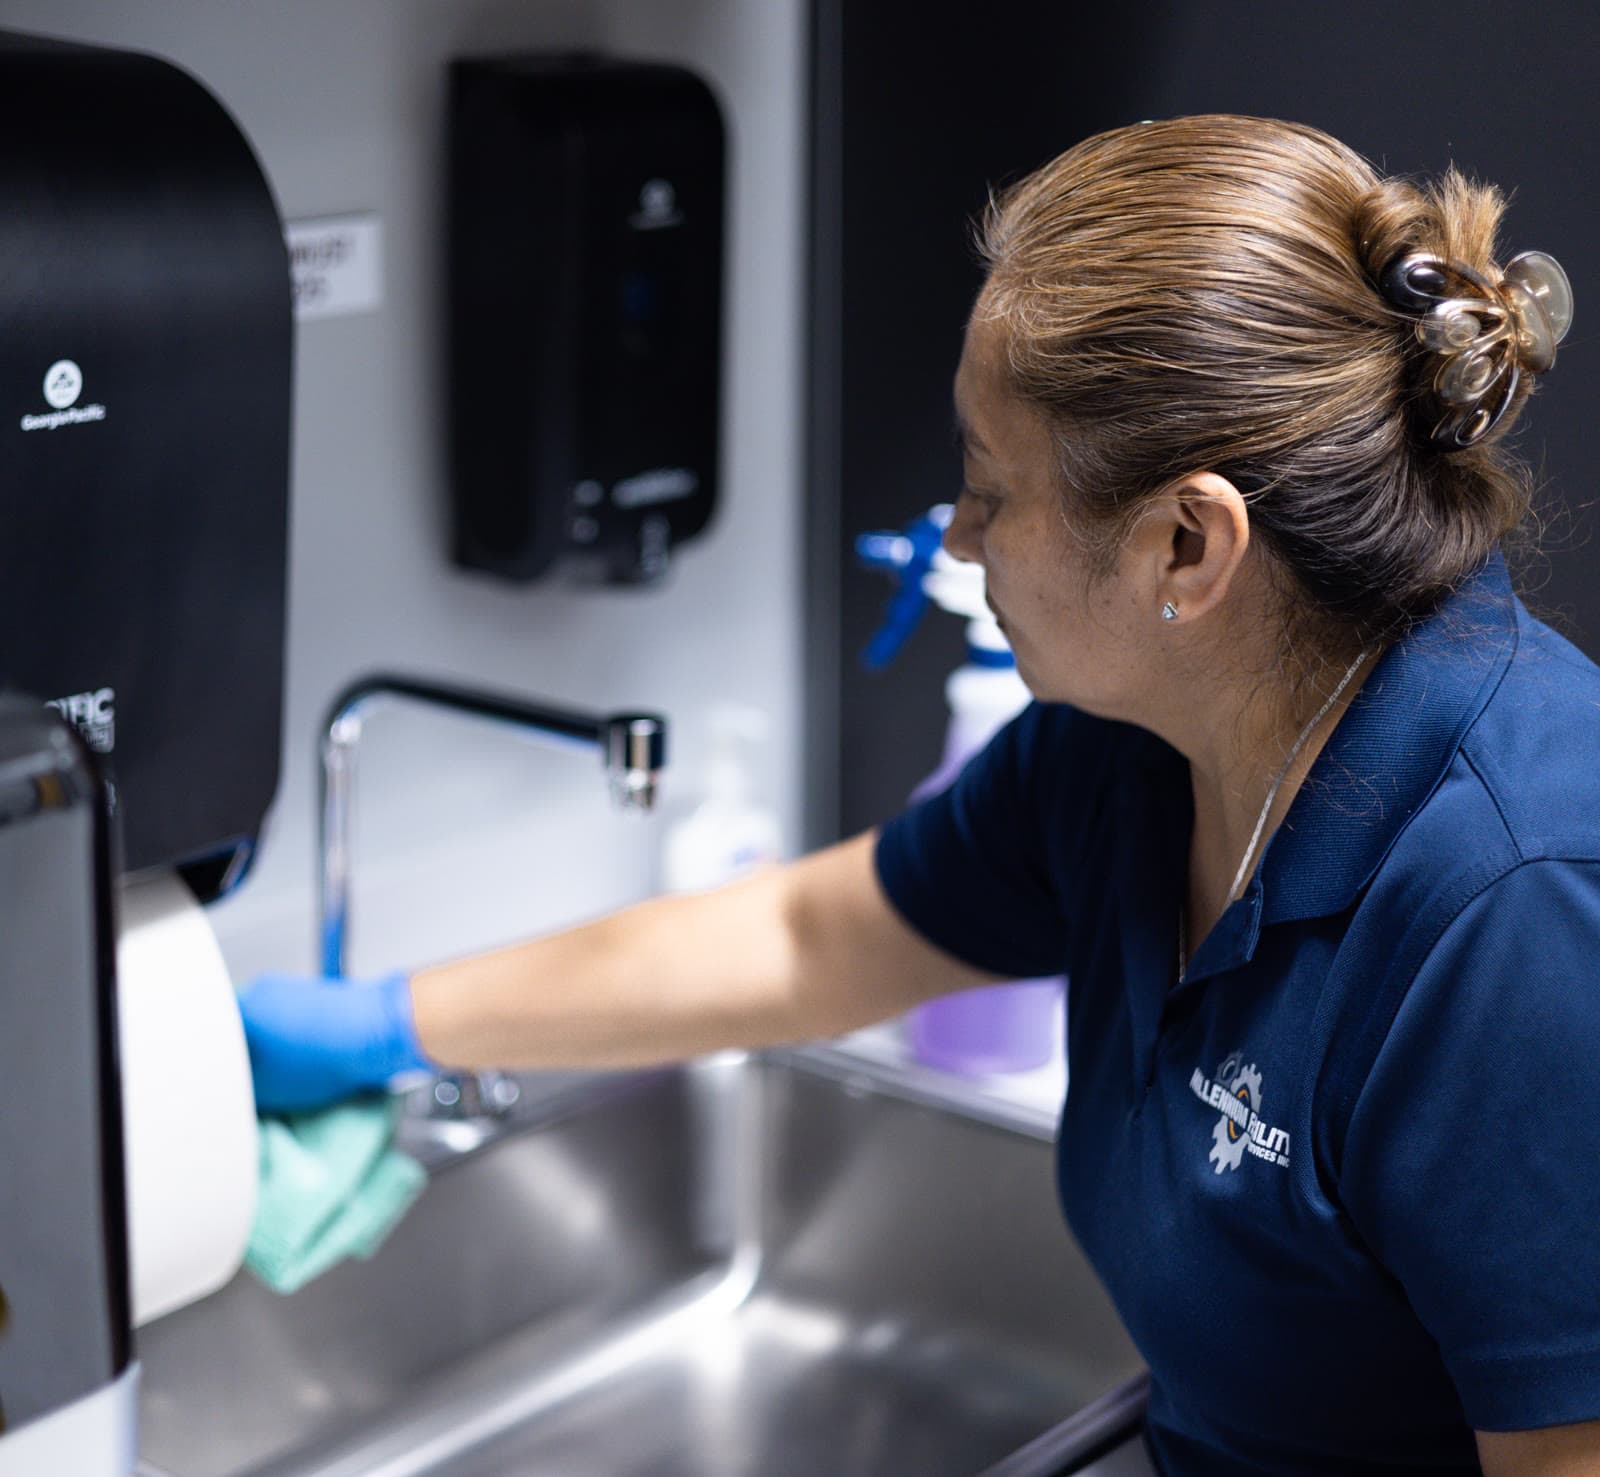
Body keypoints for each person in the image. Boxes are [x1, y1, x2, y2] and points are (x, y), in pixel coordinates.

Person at [240, 115, 1600, 1475]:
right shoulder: (1137, 747)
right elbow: (808, 941)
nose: (957, 535)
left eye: (988, 489)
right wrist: (382, 1026)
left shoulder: (1513, 911)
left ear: (1186, 545)